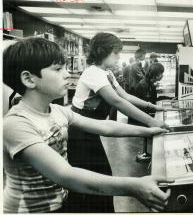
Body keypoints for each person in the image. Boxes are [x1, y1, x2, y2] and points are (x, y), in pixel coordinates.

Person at [3, 37, 172, 213]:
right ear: (29, 79)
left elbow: (105, 126)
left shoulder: (59, 111)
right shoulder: (16, 124)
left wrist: (149, 131)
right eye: (58, 69)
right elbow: (65, 175)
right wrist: (134, 186)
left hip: (61, 203)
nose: (67, 74)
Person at [67, 33, 168, 212]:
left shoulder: (107, 73)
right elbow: (117, 102)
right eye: (115, 53)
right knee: (93, 182)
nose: (118, 57)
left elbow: (126, 96)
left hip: (92, 130)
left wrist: (152, 106)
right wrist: (153, 122)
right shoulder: (93, 73)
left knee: (100, 178)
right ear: (102, 52)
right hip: (80, 134)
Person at [130, 63, 165, 161]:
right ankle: (144, 153)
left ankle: (145, 152)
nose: (162, 75)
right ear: (156, 75)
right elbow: (145, 104)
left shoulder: (148, 83)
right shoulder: (144, 85)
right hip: (142, 116)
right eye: (161, 73)